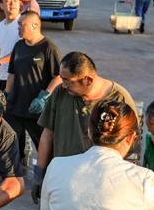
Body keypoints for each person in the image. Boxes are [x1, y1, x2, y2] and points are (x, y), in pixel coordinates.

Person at [34, 52, 133, 198]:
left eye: (68, 80)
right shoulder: (61, 93)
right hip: (62, 179)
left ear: (87, 80)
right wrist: (40, 173)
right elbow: (47, 134)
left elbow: (129, 145)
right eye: (62, 79)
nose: (63, 84)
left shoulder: (119, 99)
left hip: (98, 185)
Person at [3, 11, 61, 164]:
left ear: (35, 25)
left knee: (44, 147)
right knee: (13, 147)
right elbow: (12, 74)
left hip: (36, 110)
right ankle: (16, 174)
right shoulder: (19, 46)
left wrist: (44, 97)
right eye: (18, 25)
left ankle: (44, 176)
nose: (18, 28)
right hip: (15, 107)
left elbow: (59, 76)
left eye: (22, 25)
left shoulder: (48, 48)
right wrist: (6, 95)